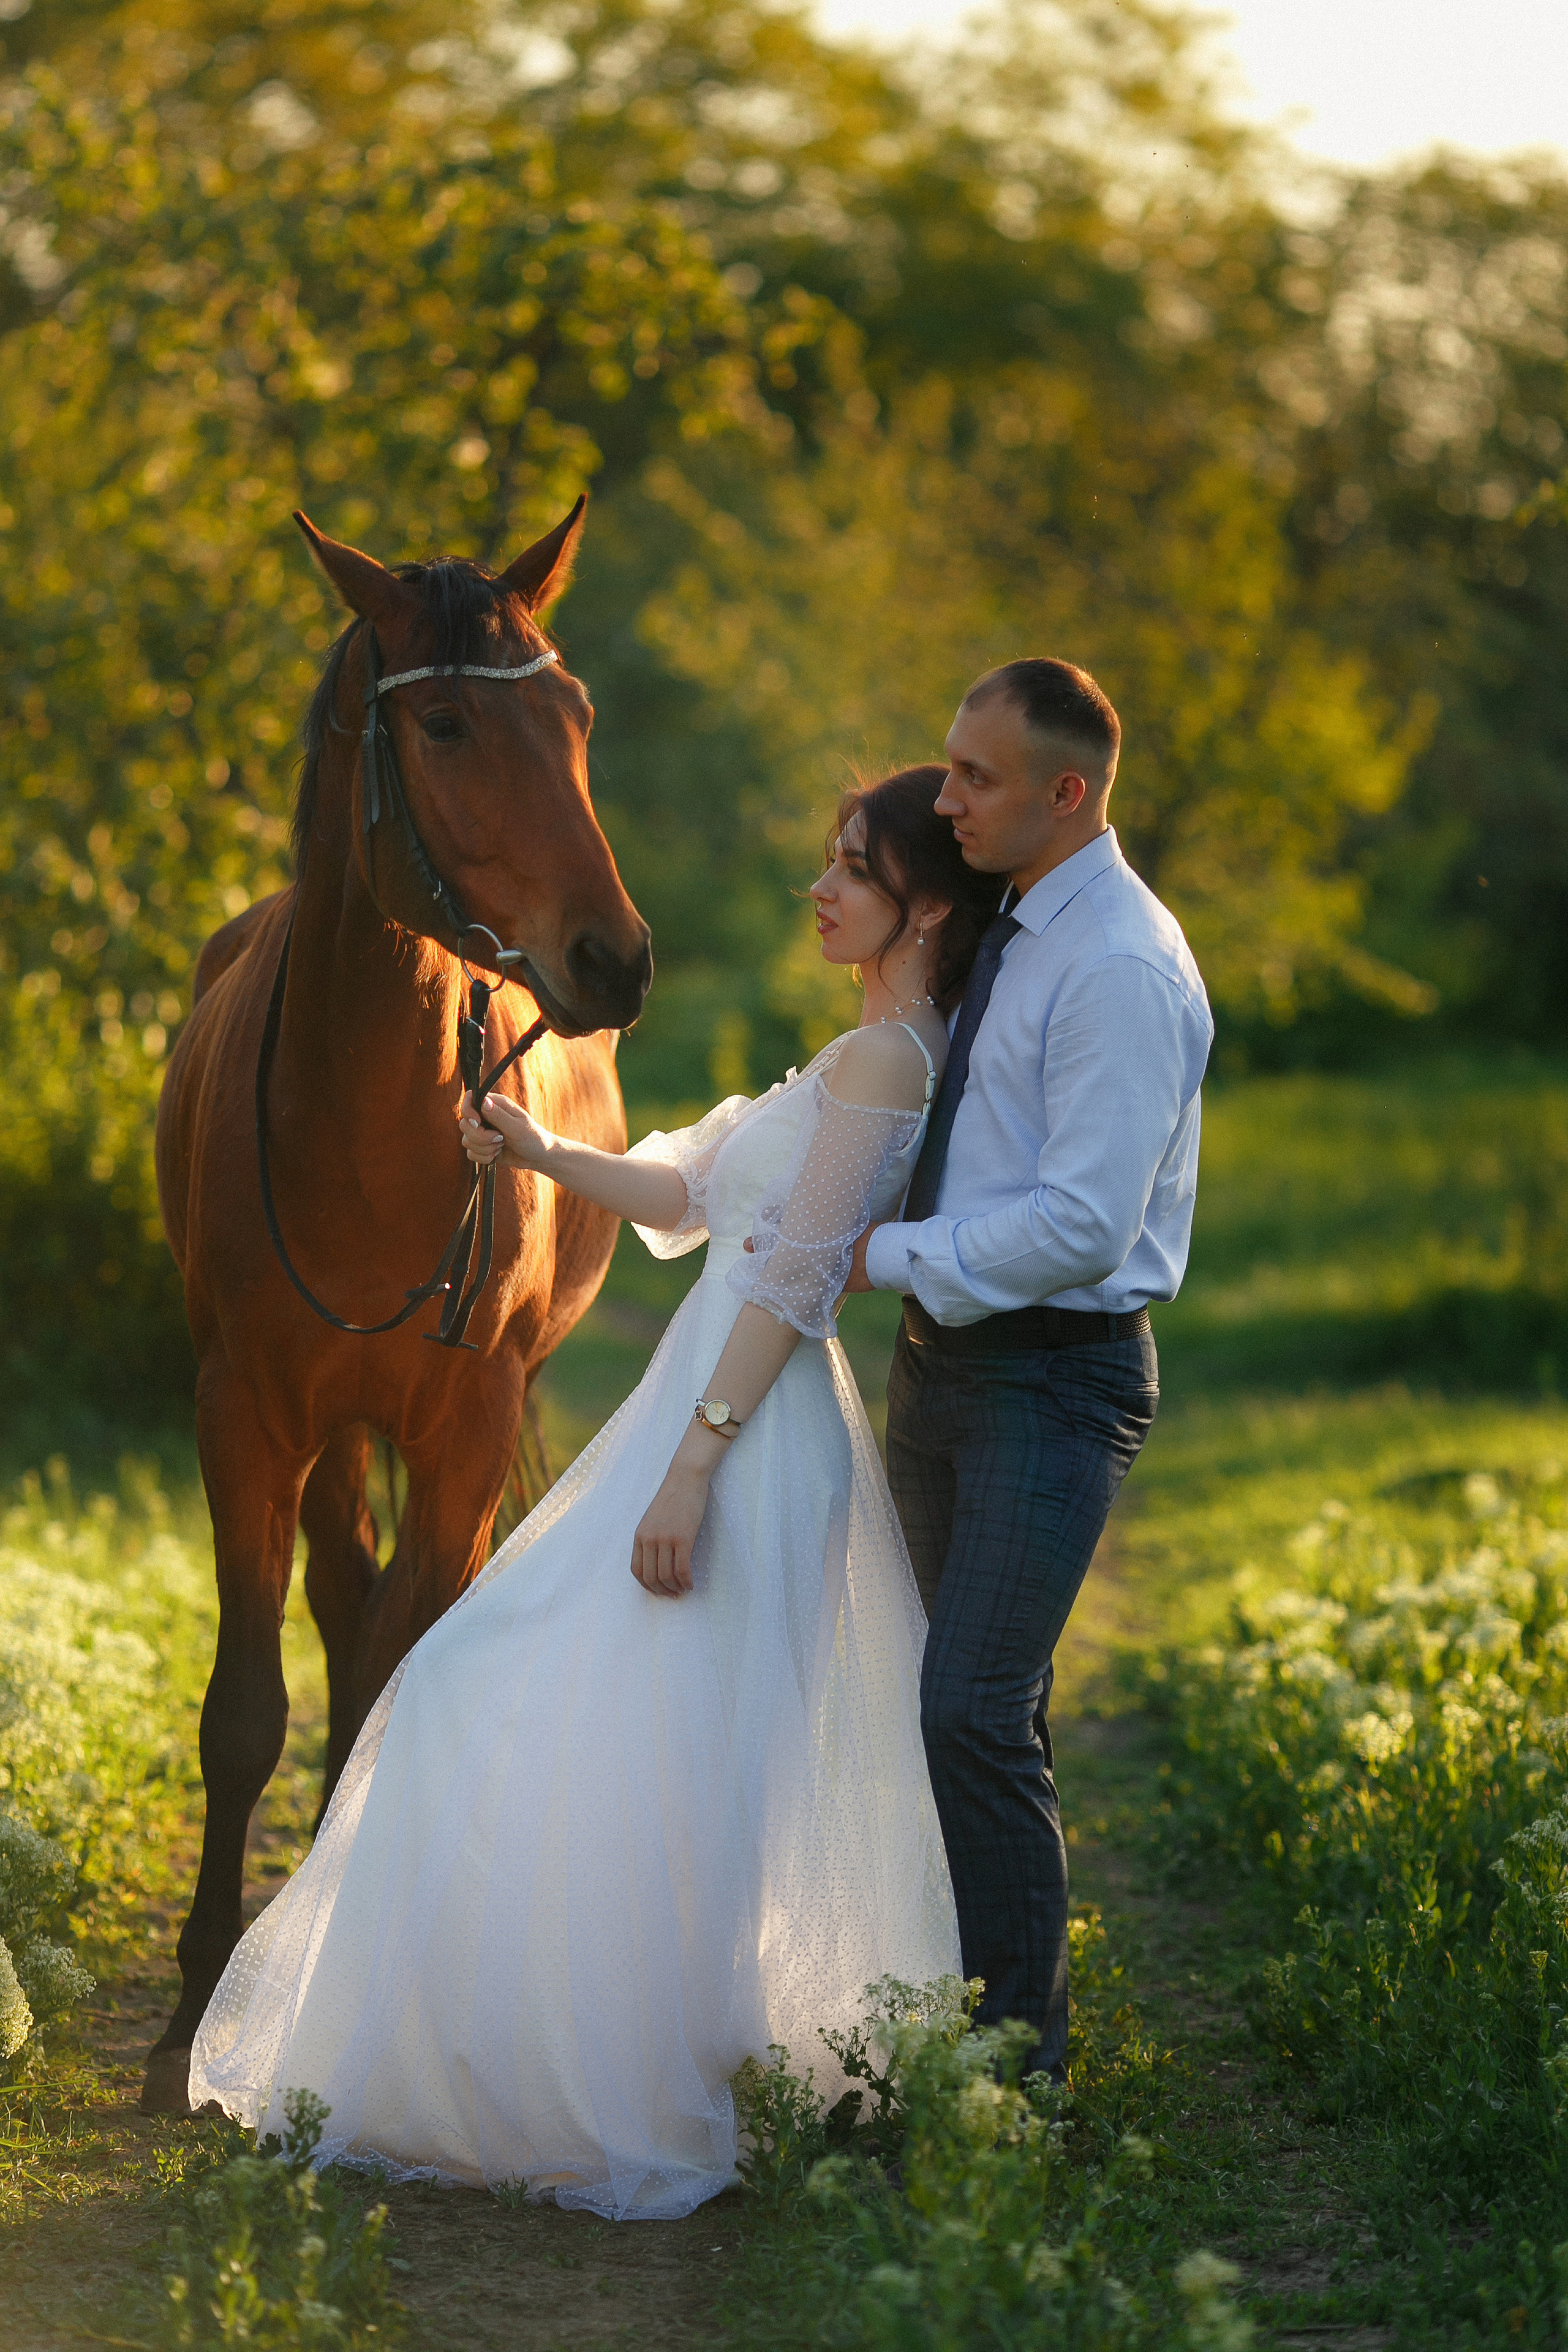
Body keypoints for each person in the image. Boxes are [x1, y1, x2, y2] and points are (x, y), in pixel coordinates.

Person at [186, 766, 1001, 2221]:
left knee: (550, 1711)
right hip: (705, 1415)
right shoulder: (856, 1046)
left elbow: (793, 1279)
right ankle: (602, 2059)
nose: (818, 886)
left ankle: (632, 2082)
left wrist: (691, 1464)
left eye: (850, 868)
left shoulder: (888, 1065)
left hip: (739, 1431)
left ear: (921, 905)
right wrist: (547, 1154)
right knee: (640, 1745)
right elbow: (692, 1194)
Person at [846, 662, 1213, 2083]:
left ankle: (1015, 2085)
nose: (946, 799)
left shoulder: (1116, 960)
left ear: (1067, 793)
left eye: (976, 778)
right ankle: (948, 2043)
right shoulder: (1006, 922)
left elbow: (1081, 1225)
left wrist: (877, 1255)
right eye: (947, 768)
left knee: (972, 1712)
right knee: (957, 1717)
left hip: (1049, 1383)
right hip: (939, 1369)